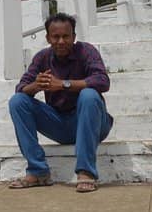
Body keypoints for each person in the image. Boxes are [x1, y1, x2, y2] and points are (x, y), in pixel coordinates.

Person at [7, 12, 113, 193]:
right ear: (48, 38)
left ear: (74, 36)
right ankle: (38, 172)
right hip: (59, 124)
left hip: (93, 124)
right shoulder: (42, 58)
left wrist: (63, 84)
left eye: (66, 36)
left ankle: (86, 172)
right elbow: (21, 87)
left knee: (89, 95)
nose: (61, 41)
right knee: (18, 101)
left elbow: (102, 81)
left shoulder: (86, 51)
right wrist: (36, 86)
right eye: (56, 37)